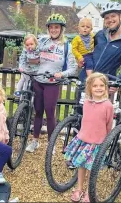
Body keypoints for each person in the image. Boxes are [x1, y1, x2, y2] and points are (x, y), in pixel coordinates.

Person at [24, 13, 78, 153]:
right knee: (38, 112)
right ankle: (34, 141)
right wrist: (29, 62)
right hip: (38, 80)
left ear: (61, 29)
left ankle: (51, 143)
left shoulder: (67, 46)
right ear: (48, 28)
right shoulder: (41, 41)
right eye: (51, 27)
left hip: (52, 83)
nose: (54, 30)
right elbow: (29, 52)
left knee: (50, 112)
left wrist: (62, 74)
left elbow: (73, 68)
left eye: (57, 27)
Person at [63, 72, 114, 203]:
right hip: (84, 140)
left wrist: (106, 141)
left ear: (106, 87)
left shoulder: (108, 105)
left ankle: (89, 191)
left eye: (102, 85)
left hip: (97, 143)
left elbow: (109, 125)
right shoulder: (86, 102)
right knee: (81, 165)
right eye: (95, 85)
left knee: (92, 168)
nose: (98, 88)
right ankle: (79, 188)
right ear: (89, 88)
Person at [79, 2, 121, 93]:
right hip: (85, 81)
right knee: (80, 107)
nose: (110, 20)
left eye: (113, 16)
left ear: (120, 17)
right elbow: (90, 53)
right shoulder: (99, 35)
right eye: (107, 17)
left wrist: (119, 82)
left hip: (103, 86)